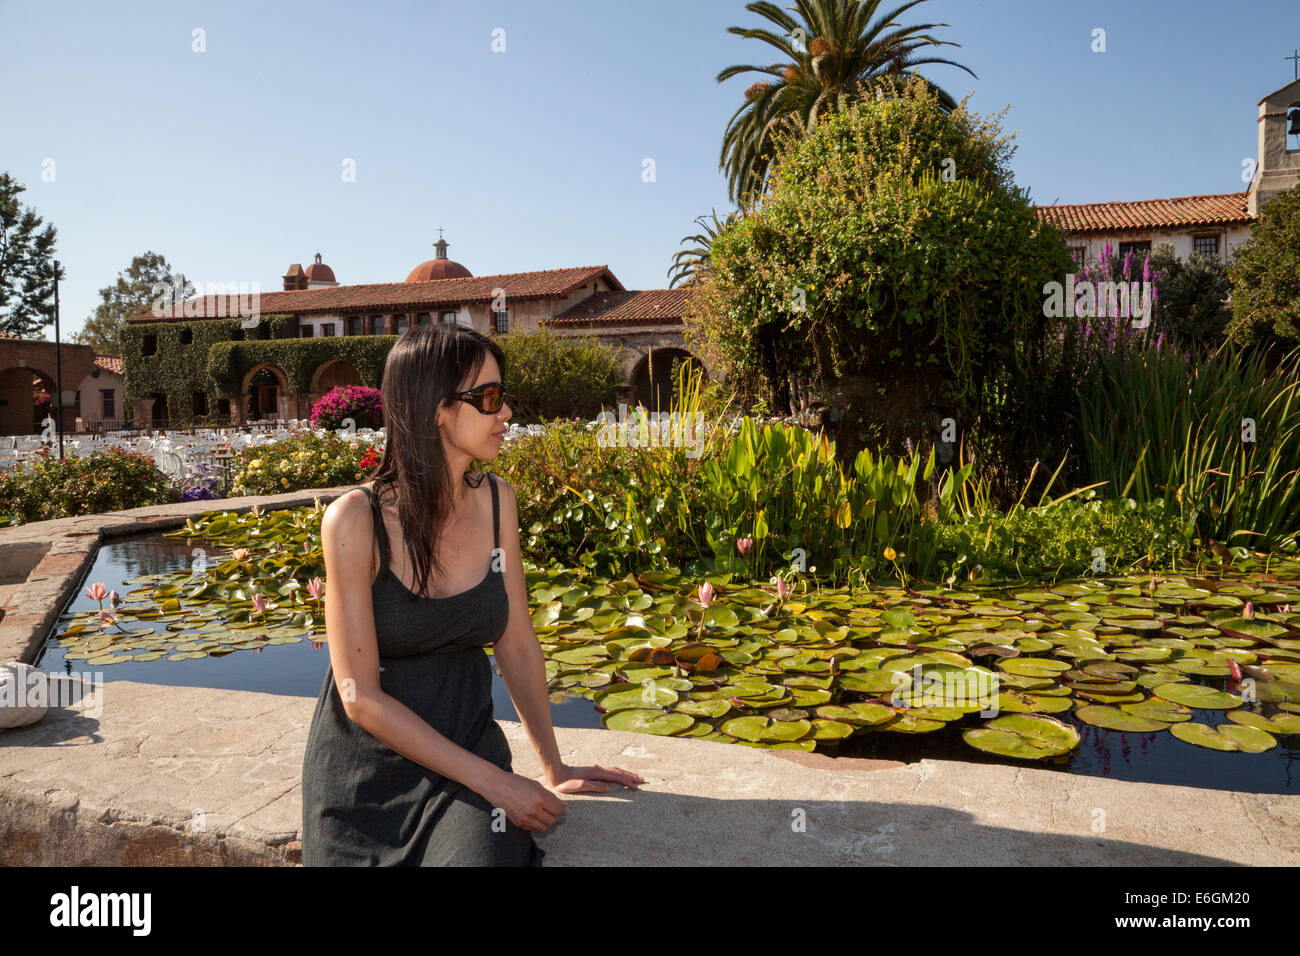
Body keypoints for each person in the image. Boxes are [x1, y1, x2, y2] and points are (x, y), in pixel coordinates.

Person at [301, 322, 644, 865]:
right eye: (489, 398)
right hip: (368, 780)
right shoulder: (355, 520)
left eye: (503, 396)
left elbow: (516, 643)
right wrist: (496, 782)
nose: (506, 413)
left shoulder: (497, 501)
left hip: (467, 759)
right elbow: (358, 695)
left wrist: (552, 767)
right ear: (435, 408)